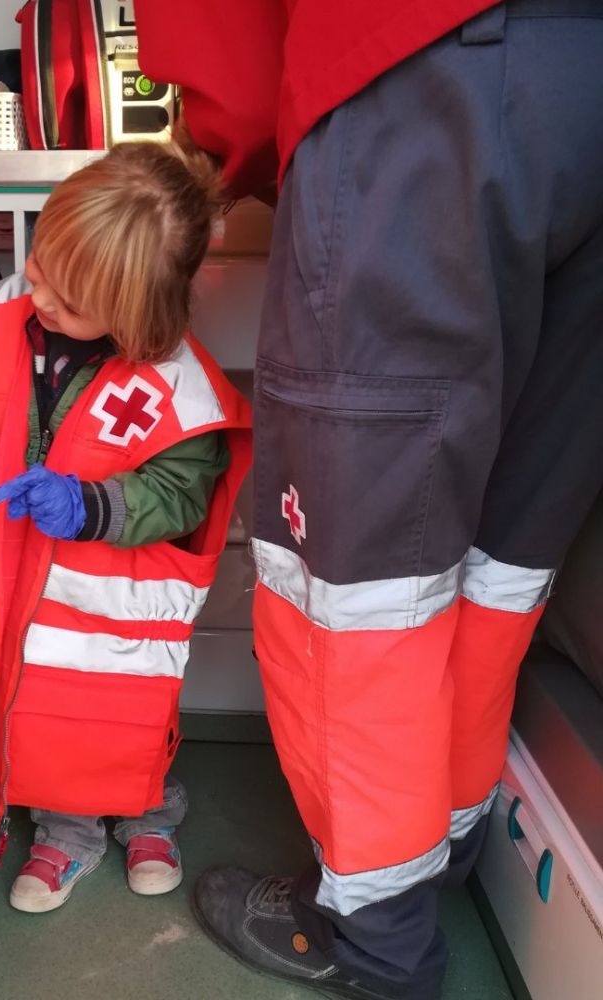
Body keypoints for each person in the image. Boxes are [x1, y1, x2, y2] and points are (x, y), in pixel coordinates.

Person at [136, 1, 603, 998]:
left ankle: (375, 941)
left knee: (351, 593)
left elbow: (225, 66)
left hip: (424, 66)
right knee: (503, 555)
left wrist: (231, 140)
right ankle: (445, 847)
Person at [0, 142, 252, 913]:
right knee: (42, 709)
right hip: (28, 586)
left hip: (123, 605)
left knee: (134, 715)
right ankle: (65, 830)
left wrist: (93, 505)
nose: (39, 296)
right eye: (37, 267)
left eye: (66, 298)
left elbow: (181, 491)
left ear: (136, 314)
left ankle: (147, 812)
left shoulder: (179, 388)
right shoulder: (17, 309)